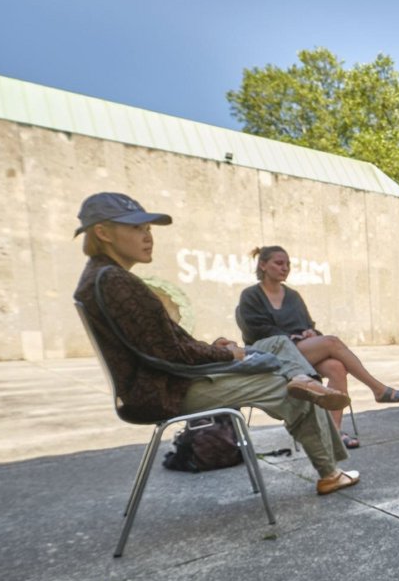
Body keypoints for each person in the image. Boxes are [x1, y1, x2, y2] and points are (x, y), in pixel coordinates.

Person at [72, 193, 362, 495]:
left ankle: (303, 378)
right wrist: (224, 353)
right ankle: (329, 470)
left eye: (148, 229)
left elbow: (161, 346)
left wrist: (214, 347)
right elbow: (170, 354)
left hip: (168, 378)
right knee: (288, 391)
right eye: (136, 228)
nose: (148, 237)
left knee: (276, 344)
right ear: (103, 233)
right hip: (169, 388)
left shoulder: (103, 278)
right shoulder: (115, 282)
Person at [237, 245, 399, 449]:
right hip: (273, 353)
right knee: (332, 342)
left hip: (301, 350)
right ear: (263, 265)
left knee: (336, 367)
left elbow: (308, 325)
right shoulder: (250, 295)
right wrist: (293, 337)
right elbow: (255, 330)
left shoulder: (293, 296)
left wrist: (311, 333)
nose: (285, 268)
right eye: (279, 263)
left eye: (288, 264)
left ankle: (333, 433)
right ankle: (378, 389)